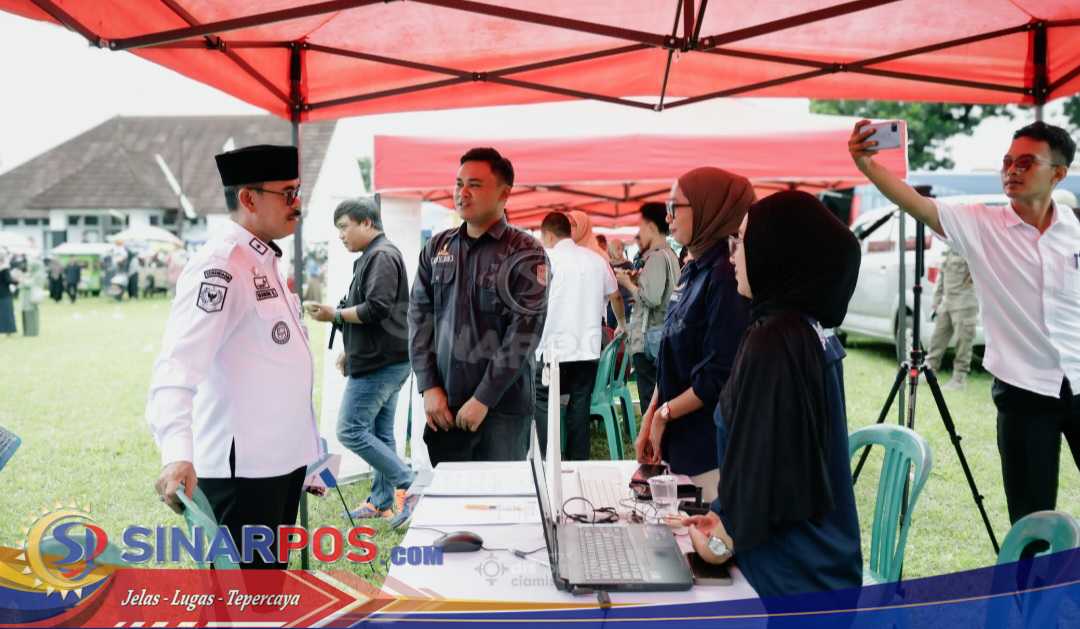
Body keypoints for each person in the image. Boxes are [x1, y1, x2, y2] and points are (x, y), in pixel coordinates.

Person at [850, 119, 1079, 525]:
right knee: (1031, 518)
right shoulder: (980, 224)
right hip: (1024, 392)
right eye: (1008, 161)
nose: (1012, 170)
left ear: (1059, 173)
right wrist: (867, 165)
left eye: (1026, 163)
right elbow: (915, 203)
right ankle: (1026, 590)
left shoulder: (1073, 228)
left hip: (1077, 380)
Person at [146, 144, 319, 569]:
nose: (297, 204)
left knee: (266, 596)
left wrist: (309, 453)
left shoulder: (264, 260)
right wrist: (176, 453)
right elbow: (176, 368)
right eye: (287, 194)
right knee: (239, 601)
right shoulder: (220, 266)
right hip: (241, 475)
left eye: (298, 191)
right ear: (248, 198)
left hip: (280, 465)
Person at [685, 190, 863, 600]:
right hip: (825, 564)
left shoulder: (774, 343)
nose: (732, 255)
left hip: (789, 580)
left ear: (777, 250)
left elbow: (755, 490)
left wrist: (715, 541)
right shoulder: (805, 329)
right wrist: (721, 516)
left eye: (742, 240)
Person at [408, 147, 548, 465]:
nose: (463, 193)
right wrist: (428, 386)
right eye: (459, 184)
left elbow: (523, 335)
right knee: (451, 503)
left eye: (475, 184)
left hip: (501, 410)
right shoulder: (437, 248)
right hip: (444, 404)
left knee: (500, 505)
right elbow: (418, 320)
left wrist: (483, 398)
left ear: (504, 193)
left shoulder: (526, 253)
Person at [634, 168, 752, 503]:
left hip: (708, 448)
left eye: (675, 207)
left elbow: (718, 373)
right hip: (680, 438)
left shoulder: (728, 275)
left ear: (707, 207)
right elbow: (675, 350)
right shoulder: (693, 267)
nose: (668, 217)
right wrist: (653, 411)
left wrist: (664, 414)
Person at [306, 198, 416, 521]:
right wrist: (349, 349)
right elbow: (376, 314)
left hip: (382, 364)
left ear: (367, 223)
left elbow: (376, 308)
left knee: (350, 429)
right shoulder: (376, 254)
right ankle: (381, 501)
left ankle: (410, 485)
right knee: (381, 434)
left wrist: (333, 315)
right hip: (385, 358)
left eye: (344, 227)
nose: (341, 235)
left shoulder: (381, 256)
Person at [533, 211, 625, 459]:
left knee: (542, 400)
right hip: (587, 349)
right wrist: (622, 323)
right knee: (580, 404)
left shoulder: (545, 260)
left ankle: (547, 458)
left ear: (548, 235)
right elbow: (616, 295)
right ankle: (577, 462)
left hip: (552, 349)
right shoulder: (596, 260)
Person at [615, 202, 678, 412]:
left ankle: (650, 444)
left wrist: (628, 285)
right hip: (663, 333)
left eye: (641, 227)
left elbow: (651, 298)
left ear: (651, 227)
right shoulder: (670, 255)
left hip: (649, 338)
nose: (638, 234)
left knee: (649, 403)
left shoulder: (657, 257)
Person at [927, 245, 979, 390]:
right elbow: (940, 278)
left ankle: (959, 379)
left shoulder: (972, 247)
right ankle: (929, 372)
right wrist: (936, 302)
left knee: (963, 343)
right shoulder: (949, 248)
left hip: (965, 302)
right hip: (947, 302)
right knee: (937, 339)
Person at [606, 238, 634, 330]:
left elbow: (634, 281)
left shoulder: (628, 264)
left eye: (622, 249)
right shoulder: (607, 264)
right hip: (611, 302)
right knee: (610, 329)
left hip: (626, 300)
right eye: (617, 248)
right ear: (612, 249)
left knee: (623, 328)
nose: (620, 251)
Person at [0, 250, 17, 336]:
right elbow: (8, 280)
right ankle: (8, 330)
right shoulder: (4, 269)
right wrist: (17, 281)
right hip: (5, 293)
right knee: (7, 312)